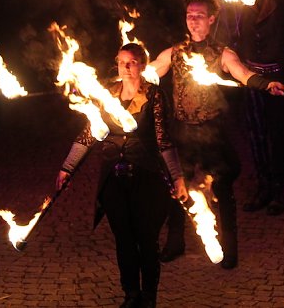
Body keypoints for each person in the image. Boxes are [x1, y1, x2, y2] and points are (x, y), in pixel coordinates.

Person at [148, 0, 284, 270]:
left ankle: (229, 248)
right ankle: (175, 243)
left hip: (212, 134)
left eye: (200, 16)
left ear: (212, 19)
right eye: (190, 16)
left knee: (223, 189)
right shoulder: (174, 53)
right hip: (183, 132)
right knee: (177, 188)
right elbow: (148, 72)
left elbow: (242, 74)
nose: (194, 21)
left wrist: (266, 84)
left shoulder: (223, 53)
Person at [57, 42, 188, 308]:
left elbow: (163, 140)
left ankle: (149, 296)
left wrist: (177, 177)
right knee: (124, 240)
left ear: (142, 64)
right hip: (113, 180)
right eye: (121, 62)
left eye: (132, 62)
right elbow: (88, 134)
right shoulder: (107, 94)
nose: (126, 68)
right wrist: (66, 168)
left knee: (147, 240)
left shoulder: (154, 96)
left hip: (146, 177)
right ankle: (131, 294)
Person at [235, 0, 284, 216]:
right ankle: (263, 185)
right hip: (251, 76)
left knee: (276, 134)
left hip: (276, 75)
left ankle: (278, 189)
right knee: (256, 134)